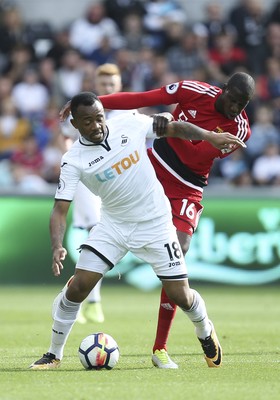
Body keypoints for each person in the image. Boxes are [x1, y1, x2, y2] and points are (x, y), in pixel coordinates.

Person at [29, 91, 245, 370]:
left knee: (181, 295)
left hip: (155, 223)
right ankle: (54, 354)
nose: (96, 126)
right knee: (78, 287)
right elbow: (60, 209)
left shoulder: (128, 124)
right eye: (87, 122)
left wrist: (207, 135)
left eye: (99, 118)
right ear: (75, 124)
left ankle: (204, 330)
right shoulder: (74, 160)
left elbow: (173, 126)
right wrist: (57, 245)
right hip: (113, 226)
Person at [62, 63, 138, 324]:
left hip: (120, 182)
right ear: (96, 84)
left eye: (111, 84)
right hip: (89, 179)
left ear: (119, 86)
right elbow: (65, 137)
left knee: (103, 234)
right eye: (103, 84)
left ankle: (87, 298)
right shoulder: (85, 109)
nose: (107, 88)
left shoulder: (129, 113)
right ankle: (91, 301)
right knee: (93, 232)